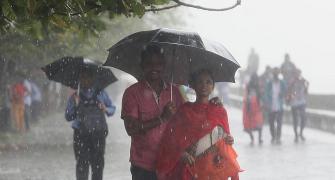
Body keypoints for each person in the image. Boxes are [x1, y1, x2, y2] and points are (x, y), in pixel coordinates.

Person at [156, 69, 241, 180]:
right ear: (193, 85)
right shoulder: (185, 110)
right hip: (190, 170)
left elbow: (225, 141)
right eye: (200, 82)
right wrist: (180, 154)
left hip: (213, 171)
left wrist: (229, 139)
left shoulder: (220, 111)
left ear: (213, 86)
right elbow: (169, 140)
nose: (204, 86)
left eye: (208, 82)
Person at [121, 45, 185, 180]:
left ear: (164, 66)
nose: (154, 68)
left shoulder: (175, 93)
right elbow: (131, 129)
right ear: (142, 65)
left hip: (170, 163)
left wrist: (211, 104)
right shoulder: (132, 93)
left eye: (158, 64)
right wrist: (162, 118)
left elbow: (188, 121)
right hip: (143, 166)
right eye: (149, 63)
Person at [65, 68, 116, 180]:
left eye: (87, 77)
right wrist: (75, 105)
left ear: (93, 78)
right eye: (82, 77)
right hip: (80, 135)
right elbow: (68, 116)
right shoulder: (75, 96)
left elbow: (112, 109)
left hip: (98, 134)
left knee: (98, 165)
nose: (85, 80)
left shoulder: (101, 93)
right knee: (82, 164)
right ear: (79, 79)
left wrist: (105, 108)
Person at [265, 67, 287, 144]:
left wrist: (282, 94)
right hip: (271, 106)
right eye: (275, 74)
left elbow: (286, 91)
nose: (276, 75)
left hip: (280, 105)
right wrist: (267, 102)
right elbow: (266, 93)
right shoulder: (269, 83)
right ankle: (273, 136)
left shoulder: (282, 83)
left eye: (277, 74)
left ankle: (278, 137)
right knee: (271, 123)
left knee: (279, 122)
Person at [286, 69, 309, 142]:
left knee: (303, 118)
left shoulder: (303, 81)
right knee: (295, 120)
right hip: (294, 103)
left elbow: (306, 92)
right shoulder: (291, 82)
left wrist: (307, 85)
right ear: (294, 74)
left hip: (302, 102)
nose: (298, 75)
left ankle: (301, 133)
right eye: (296, 73)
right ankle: (296, 135)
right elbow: (289, 91)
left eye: (299, 73)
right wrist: (288, 100)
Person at [242, 73, 263, 145]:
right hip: (250, 106)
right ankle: (253, 138)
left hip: (256, 106)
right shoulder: (249, 86)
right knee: (249, 124)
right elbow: (246, 96)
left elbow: (260, 96)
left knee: (258, 123)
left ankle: (259, 138)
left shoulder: (258, 86)